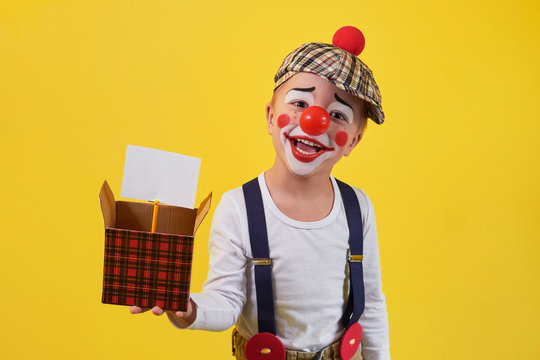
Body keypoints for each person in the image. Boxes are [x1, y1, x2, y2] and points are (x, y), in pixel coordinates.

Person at [131, 26, 390, 360]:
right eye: (300, 103)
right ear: (270, 116)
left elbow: (371, 304)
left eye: (338, 115)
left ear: (353, 141)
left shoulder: (358, 208)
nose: (315, 121)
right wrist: (190, 309)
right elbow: (225, 301)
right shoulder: (238, 208)